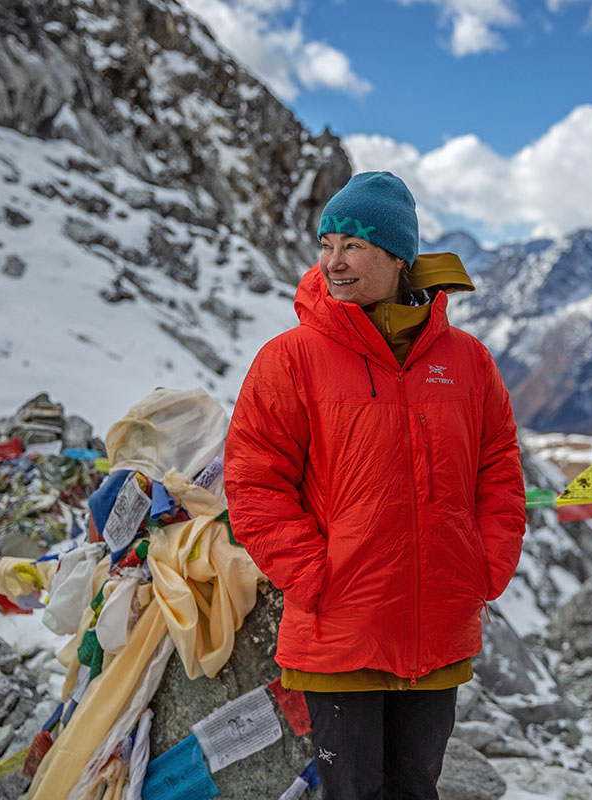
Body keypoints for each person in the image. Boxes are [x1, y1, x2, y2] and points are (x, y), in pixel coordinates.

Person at [225, 171, 527, 798]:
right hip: (341, 629)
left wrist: (484, 562)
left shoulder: (466, 361)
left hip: (439, 623)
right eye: (326, 243)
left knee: (417, 786)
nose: (333, 261)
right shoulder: (291, 358)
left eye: (353, 246)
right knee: (353, 792)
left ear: (398, 258)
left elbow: (498, 465)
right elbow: (255, 481)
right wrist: (315, 575)